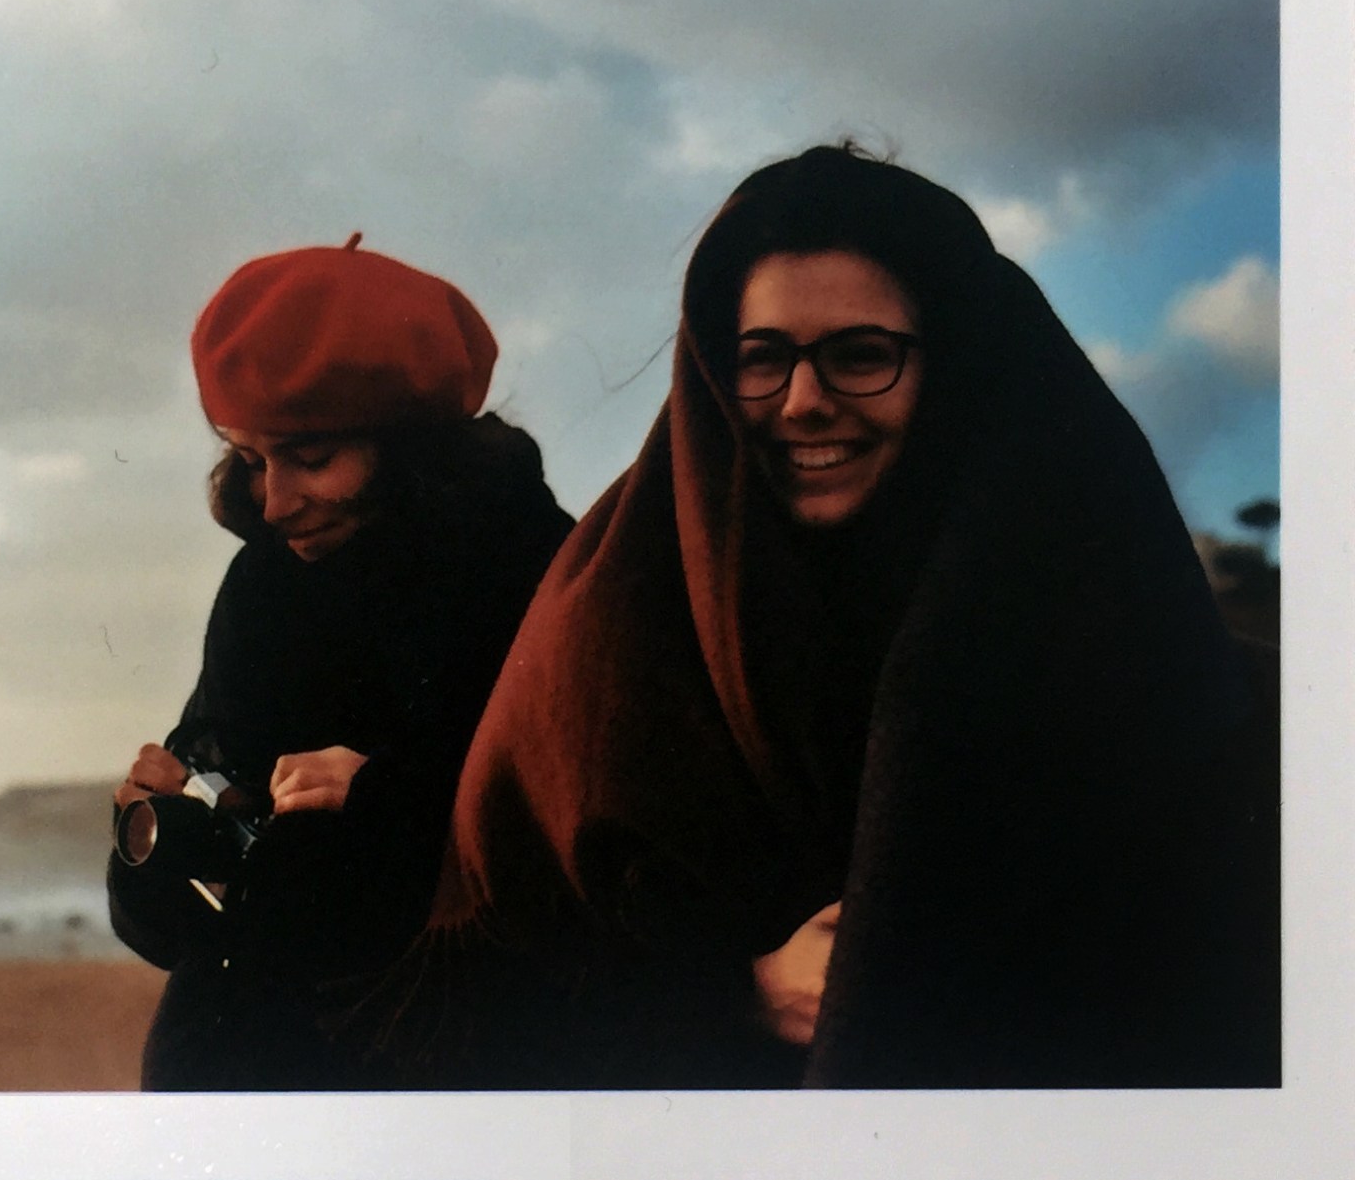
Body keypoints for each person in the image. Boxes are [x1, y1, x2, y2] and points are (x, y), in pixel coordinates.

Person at [363, 145, 1278, 1089]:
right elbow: (475, 996)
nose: (803, 403)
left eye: (860, 356)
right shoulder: (605, 637)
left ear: (956, 363)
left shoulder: (1144, 659)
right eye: (761, 361)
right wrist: (733, 995)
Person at [107, 234, 574, 1091]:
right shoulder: (264, 585)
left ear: (414, 448)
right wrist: (151, 838)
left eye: (310, 457)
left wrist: (385, 802)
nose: (273, 503)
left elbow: (589, 864)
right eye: (251, 461)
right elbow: (189, 927)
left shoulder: (551, 582)